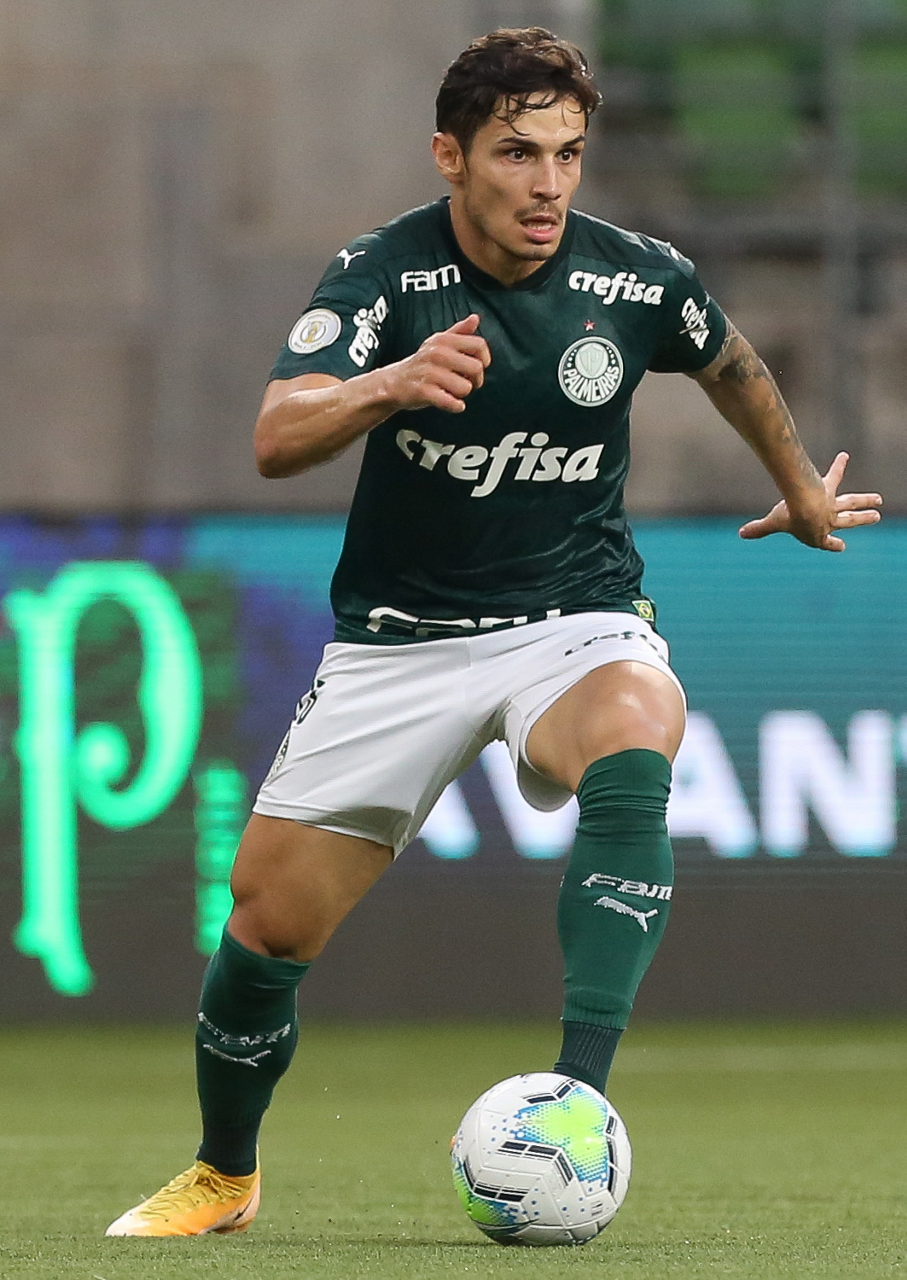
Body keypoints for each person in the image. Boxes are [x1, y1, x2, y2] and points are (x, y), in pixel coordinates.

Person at [106, 28, 881, 1237]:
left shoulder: (636, 279)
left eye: (568, 153)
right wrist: (388, 383)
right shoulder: (382, 274)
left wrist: (800, 489)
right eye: (518, 153)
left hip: (572, 616)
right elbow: (275, 435)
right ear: (450, 156)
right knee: (265, 924)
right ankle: (223, 1174)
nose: (548, 182)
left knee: (638, 719)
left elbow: (728, 360)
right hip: (398, 641)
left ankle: (576, 1097)